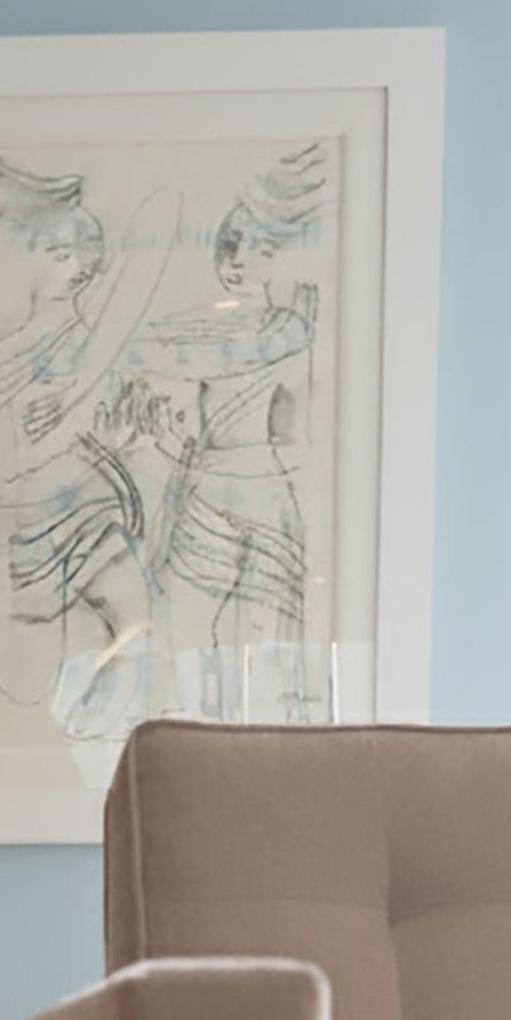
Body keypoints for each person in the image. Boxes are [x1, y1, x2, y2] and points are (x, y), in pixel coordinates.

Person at [127, 143, 327, 721]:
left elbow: (205, 361)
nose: (236, 261)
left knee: (264, 644)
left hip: (258, 493)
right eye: (228, 246)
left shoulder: (287, 328)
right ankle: (200, 743)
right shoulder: (222, 325)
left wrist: (136, 350)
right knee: (190, 633)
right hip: (209, 487)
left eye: (258, 248)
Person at [0, 159, 165, 741]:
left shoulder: (98, 345)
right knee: (28, 688)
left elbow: (118, 436)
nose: (81, 268)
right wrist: (66, 431)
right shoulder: (5, 360)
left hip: (104, 523)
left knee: (136, 632)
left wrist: (123, 434)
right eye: (62, 255)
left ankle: (106, 747)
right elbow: (0, 474)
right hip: (38, 540)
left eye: (87, 252)